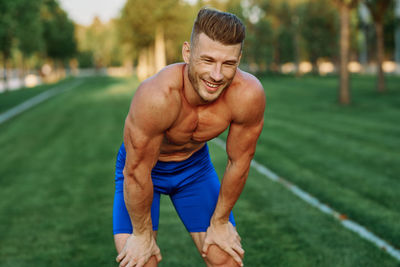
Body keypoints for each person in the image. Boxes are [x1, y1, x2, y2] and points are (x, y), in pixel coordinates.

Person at [113, 7, 265, 267]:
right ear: (187, 52)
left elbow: (239, 162)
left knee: (224, 258)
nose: (216, 75)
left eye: (228, 64)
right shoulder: (156, 96)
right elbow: (136, 171)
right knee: (141, 262)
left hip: (194, 169)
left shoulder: (247, 95)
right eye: (207, 60)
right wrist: (141, 234)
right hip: (144, 171)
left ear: (239, 60)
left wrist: (220, 221)